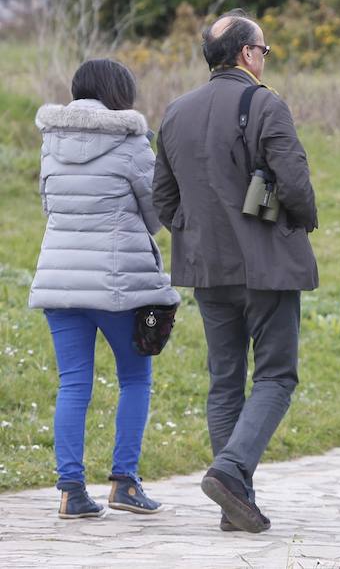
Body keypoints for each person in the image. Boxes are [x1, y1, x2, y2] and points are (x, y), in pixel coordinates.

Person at [153, 9, 318, 534]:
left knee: (224, 380)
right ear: (248, 54)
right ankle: (230, 471)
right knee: (275, 375)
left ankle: (234, 503)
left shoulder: (175, 111)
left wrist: (194, 230)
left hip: (206, 269)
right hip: (265, 266)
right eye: (264, 50)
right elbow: (292, 180)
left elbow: (163, 197)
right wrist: (304, 220)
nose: (265, 59)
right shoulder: (265, 102)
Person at [31, 58, 180, 519]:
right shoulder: (131, 143)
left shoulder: (50, 143)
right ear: (120, 94)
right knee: (135, 378)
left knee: (73, 384)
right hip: (121, 285)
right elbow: (157, 214)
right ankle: (124, 483)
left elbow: (47, 204)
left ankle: (71, 492)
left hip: (60, 281)